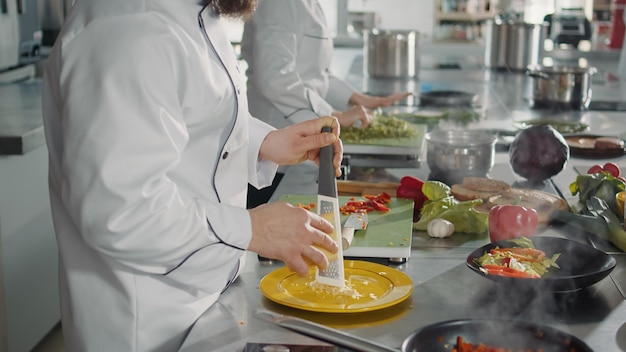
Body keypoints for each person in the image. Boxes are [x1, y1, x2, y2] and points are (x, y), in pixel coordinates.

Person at [41, 0, 342, 351]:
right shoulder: (128, 29)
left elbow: (190, 115)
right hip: (148, 325)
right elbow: (122, 211)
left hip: (202, 300)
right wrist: (254, 229)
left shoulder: (194, 10)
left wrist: (264, 142)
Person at [241, 0, 410, 206]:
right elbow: (275, 78)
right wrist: (333, 114)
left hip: (294, 143)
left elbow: (317, 74)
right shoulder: (281, 4)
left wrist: (362, 99)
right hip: (273, 141)